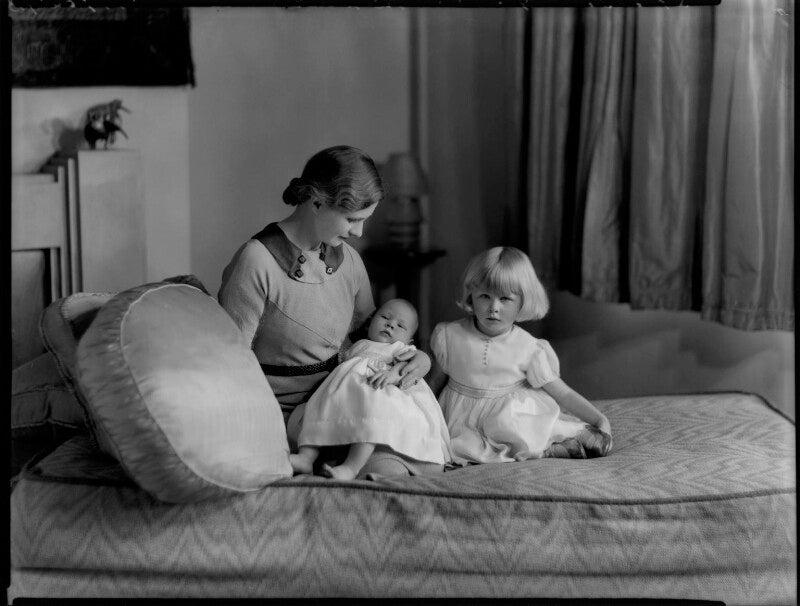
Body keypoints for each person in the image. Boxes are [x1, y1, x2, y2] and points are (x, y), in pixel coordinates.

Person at [218, 145, 434, 477]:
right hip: (283, 412)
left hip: (346, 400)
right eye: (352, 219)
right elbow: (232, 361)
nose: (358, 232)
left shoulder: (348, 260)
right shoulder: (256, 261)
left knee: (403, 464)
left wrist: (417, 360)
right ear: (317, 201)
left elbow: (371, 336)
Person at [427, 246, 612, 465]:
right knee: (461, 447)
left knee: (516, 425)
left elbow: (563, 393)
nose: (493, 307)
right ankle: (544, 451)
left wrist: (598, 418)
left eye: (505, 299)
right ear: (471, 295)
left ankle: (551, 448)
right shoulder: (449, 335)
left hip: (509, 418)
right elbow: (434, 384)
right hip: (463, 420)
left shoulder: (529, 348)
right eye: (484, 296)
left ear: (523, 302)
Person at [290, 298, 452, 480]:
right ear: (370, 323)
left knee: (372, 413)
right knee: (320, 406)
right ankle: (306, 457)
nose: (390, 325)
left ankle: (351, 467)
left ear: (409, 340)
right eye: (385, 317)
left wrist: (394, 374)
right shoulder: (356, 346)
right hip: (345, 394)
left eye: (400, 325)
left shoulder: (399, 348)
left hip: (378, 389)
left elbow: (410, 366)